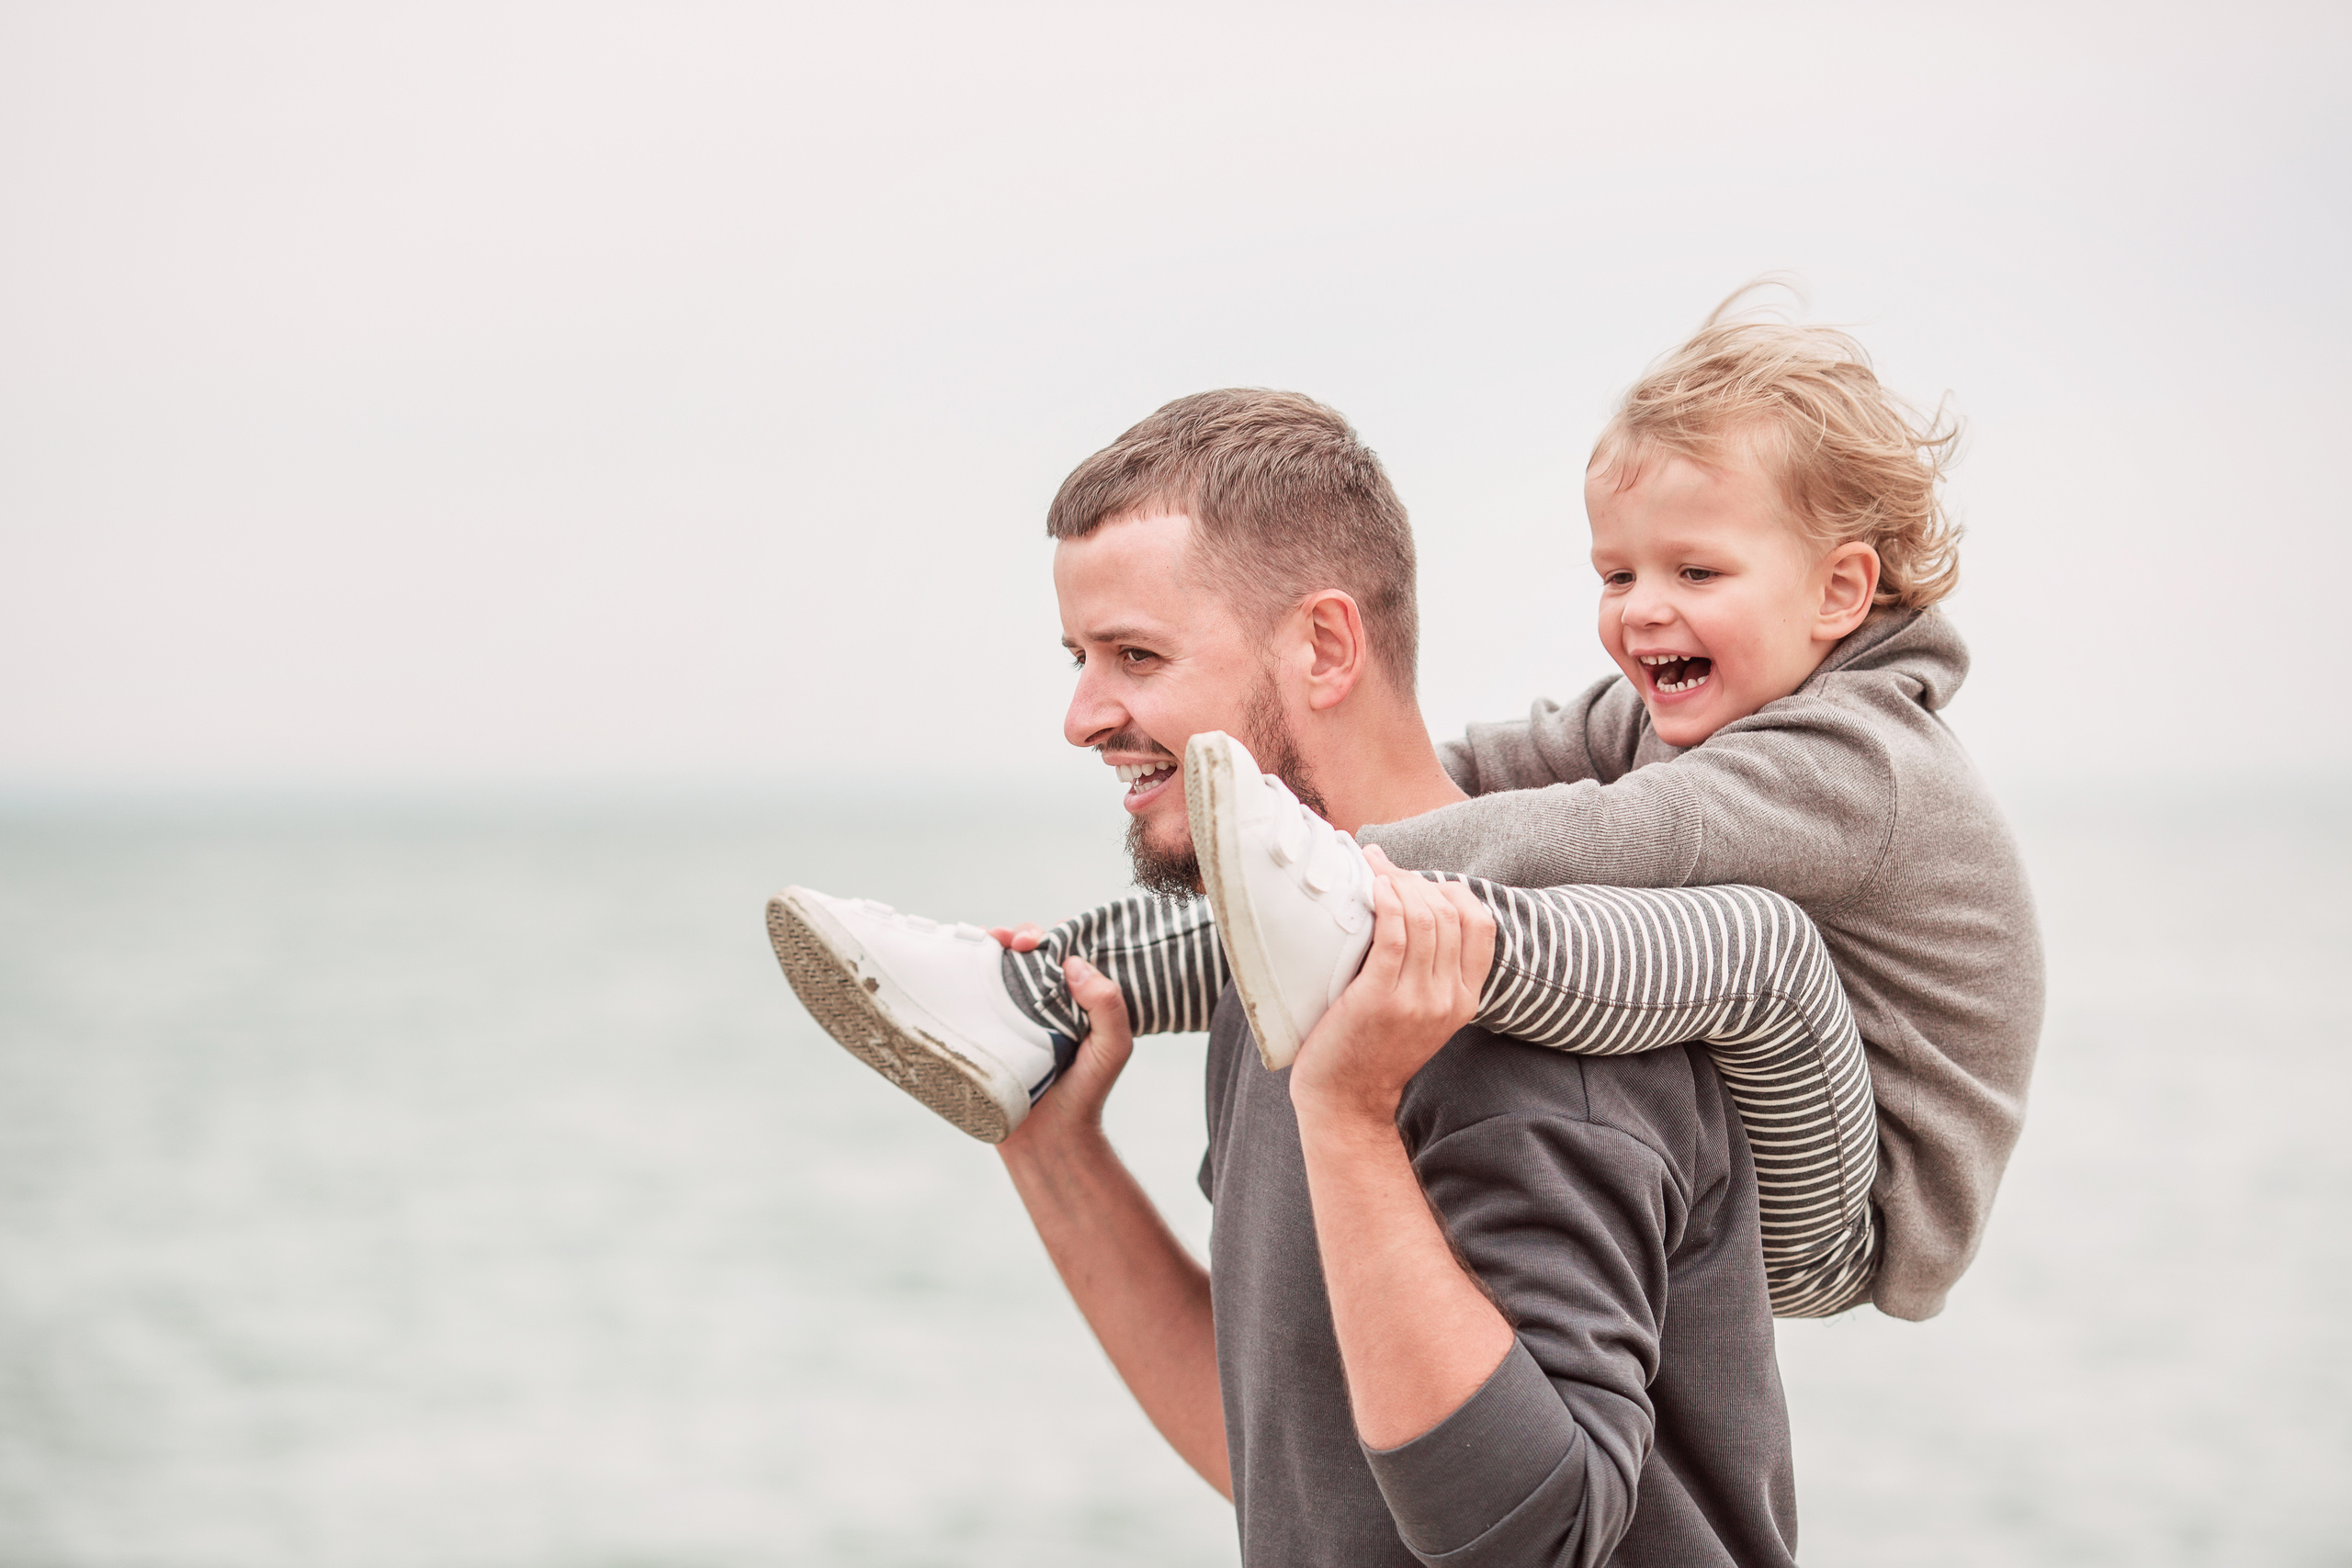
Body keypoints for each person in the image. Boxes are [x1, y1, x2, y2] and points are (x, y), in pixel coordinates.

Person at [774, 304, 2043, 1326]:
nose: (1640, 607)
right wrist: (1311, 829)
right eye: (1616, 572)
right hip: (1750, 1125)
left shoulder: (1860, 760)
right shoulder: (1675, 711)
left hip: (1848, 1211)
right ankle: (1040, 995)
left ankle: (1327, 916)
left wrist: (1350, 870)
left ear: (1838, 591)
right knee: (1300, 899)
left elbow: (1627, 837)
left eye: (1695, 570)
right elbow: (1494, 767)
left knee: (1751, 940)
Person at [792, 387, 1806, 1564]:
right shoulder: (1280, 965)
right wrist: (1054, 1154)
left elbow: (1538, 1539)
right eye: (1079, 658)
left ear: (1324, 645)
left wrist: (1347, 1112)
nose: (1081, 716)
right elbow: (1286, 1455)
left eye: (1135, 656)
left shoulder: (1550, 1019)